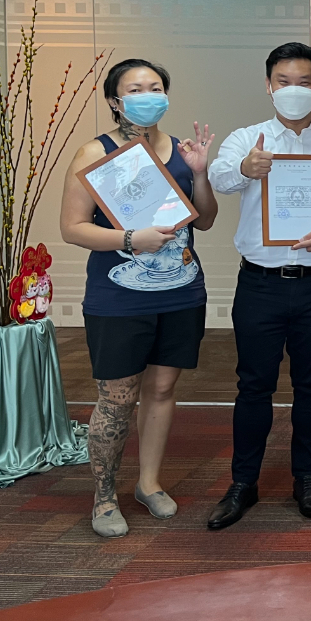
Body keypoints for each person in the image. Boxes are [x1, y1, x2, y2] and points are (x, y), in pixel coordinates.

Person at [205, 42, 311, 530]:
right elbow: (218, 177)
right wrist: (244, 169)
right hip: (259, 284)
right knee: (253, 386)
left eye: (304, 82)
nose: (294, 90)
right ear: (269, 86)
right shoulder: (248, 139)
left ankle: (307, 477)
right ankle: (243, 482)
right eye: (284, 82)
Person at [59, 58, 217, 538]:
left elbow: (204, 221)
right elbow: (72, 228)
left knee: (164, 389)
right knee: (117, 397)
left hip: (180, 290)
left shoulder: (181, 150)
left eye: (155, 87)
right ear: (115, 100)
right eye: (135, 88)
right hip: (118, 296)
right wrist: (129, 239)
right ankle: (104, 496)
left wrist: (201, 173)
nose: (147, 95)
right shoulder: (96, 152)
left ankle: (148, 483)